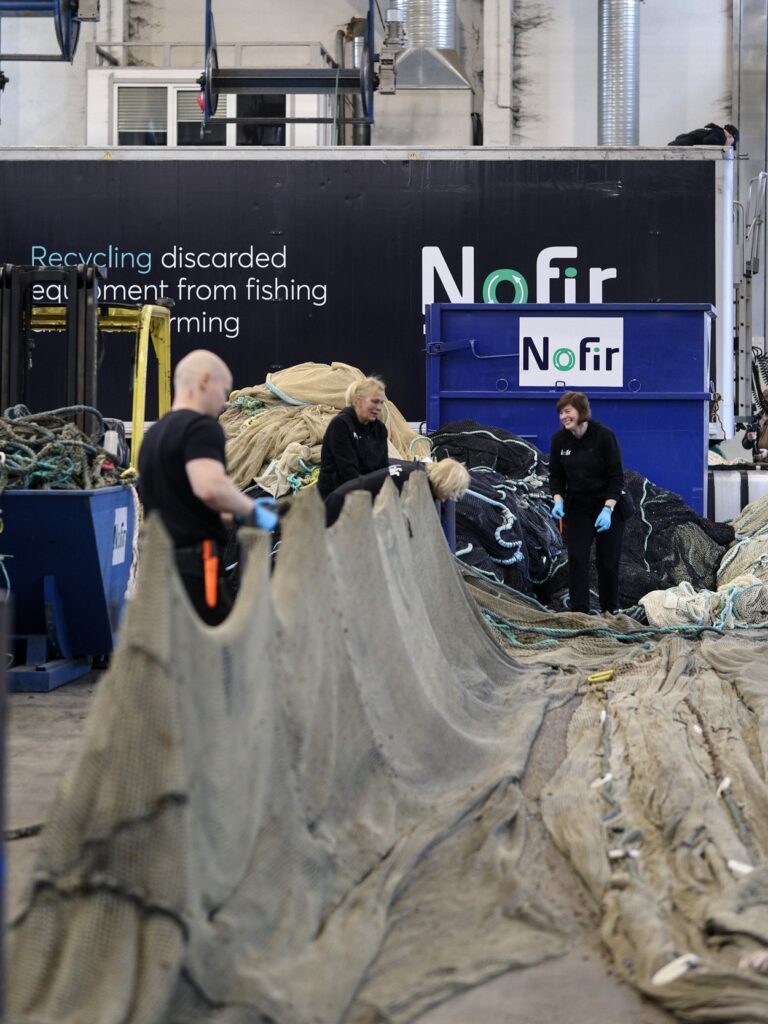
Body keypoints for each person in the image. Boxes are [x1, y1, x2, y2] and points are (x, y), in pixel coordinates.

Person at [138, 349, 277, 626]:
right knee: (218, 650)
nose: (224, 404)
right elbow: (209, 488)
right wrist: (251, 511)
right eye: (223, 391)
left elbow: (178, 503)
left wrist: (229, 516)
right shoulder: (200, 427)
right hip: (196, 568)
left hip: (158, 568)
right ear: (203, 380)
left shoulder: (154, 435)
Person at [548, 391, 626, 615]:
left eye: (568, 411)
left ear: (581, 411)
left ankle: (610, 610)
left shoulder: (604, 437)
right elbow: (556, 476)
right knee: (577, 558)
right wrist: (558, 500)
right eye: (561, 413)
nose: (563, 416)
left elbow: (616, 477)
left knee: (607, 562)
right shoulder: (559, 440)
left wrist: (608, 509)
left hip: (608, 506)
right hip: (578, 507)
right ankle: (580, 611)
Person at [324, 458, 470, 527]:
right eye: (453, 490)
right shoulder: (417, 485)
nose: (452, 496)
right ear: (444, 481)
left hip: (342, 498)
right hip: (344, 507)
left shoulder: (417, 470)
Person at [317, 375, 390, 499]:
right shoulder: (340, 425)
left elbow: (383, 468)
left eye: (381, 403)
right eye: (374, 401)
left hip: (367, 493)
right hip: (337, 495)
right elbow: (348, 471)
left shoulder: (380, 429)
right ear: (359, 400)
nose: (378, 408)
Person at [741, 391, 768, 462]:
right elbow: (745, 445)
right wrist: (749, 439)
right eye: (765, 398)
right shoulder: (757, 418)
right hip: (759, 465)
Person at [668, 122, 739, 149]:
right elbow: (709, 141)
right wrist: (724, 147)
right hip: (677, 151)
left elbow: (680, 137)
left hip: (675, 147)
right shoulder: (720, 134)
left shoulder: (711, 130)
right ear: (730, 137)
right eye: (731, 144)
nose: (730, 146)